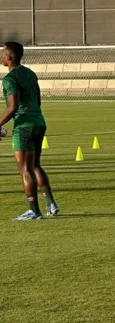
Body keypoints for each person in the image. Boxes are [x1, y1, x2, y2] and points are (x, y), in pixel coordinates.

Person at [0, 42, 58, 220]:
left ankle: (34, 210)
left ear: (10, 57)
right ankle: (51, 204)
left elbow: (13, 107)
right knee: (35, 165)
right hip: (39, 122)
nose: (1, 57)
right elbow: (38, 99)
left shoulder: (10, 79)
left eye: (3, 54)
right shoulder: (30, 73)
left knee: (25, 168)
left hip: (24, 126)